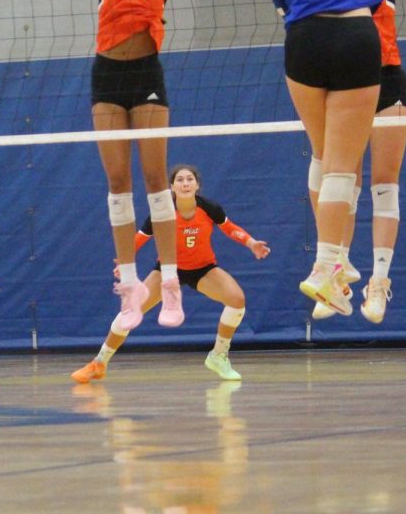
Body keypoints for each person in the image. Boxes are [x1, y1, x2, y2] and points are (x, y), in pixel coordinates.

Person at [94, 0, 266, 334]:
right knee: (117, 182)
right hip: (106, 73)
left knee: (155, 181)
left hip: (146, 73)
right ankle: (130, 284)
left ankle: (169, 283)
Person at [268, 0, 406, 324]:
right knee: (334, 164)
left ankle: (375, 280)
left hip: (379, 68)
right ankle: (335, 263)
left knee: (373, 177)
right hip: (357, 52)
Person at [71, 164, 270, 383]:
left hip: (203, 269)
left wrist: (252, 243)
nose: (185, 184)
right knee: (131, 309)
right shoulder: (162, 213)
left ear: (197, 185)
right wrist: (124, 262)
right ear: (171, 187)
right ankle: (99, 363)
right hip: (167, 270)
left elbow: (230, 227)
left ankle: (218, 356)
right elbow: (139, 238)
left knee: (237, 299)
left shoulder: (209, 208)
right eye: (180, 180)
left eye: (189, 179)